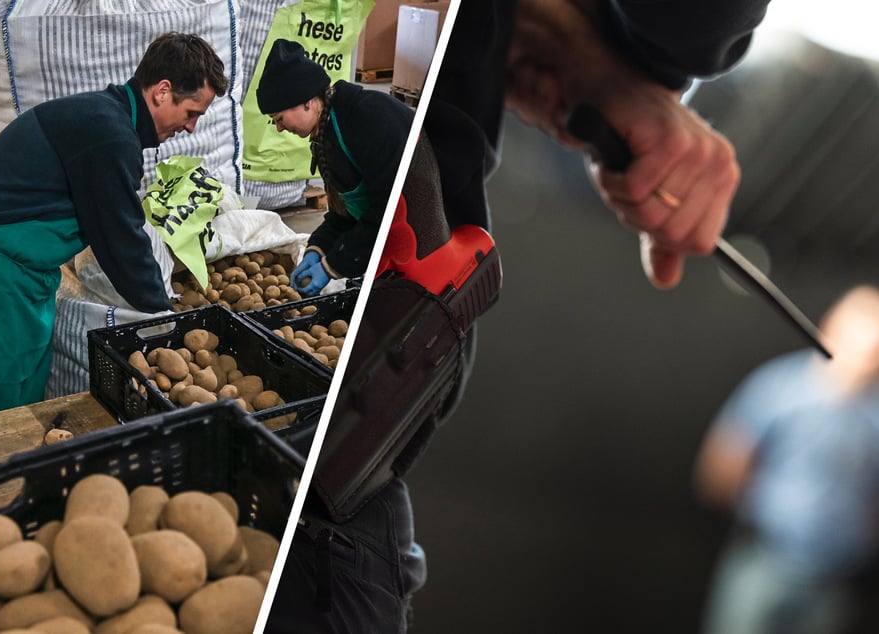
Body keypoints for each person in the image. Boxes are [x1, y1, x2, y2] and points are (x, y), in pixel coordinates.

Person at [263, 1, 771, 632]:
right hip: (390, 351)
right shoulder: (336, 127)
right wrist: (641, 54)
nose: (280, 127)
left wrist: (556, 36)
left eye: (280, 113)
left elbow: (378, 204)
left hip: (403, 324)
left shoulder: (360, 118)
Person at [0, 32, 229, 422]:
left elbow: (117, 227)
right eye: (191, 112)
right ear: (162, 91)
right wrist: (165, 316)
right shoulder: (108, 132)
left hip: (22, 273)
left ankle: (12, 475)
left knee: (24, 395)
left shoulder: (107, 118)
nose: (191, 127)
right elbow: (120, 238)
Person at [693, 285, 879, 634]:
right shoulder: (778, 387)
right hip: (764, 561)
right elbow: (720, 469)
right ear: (831, 328)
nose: (866, 358)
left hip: (834, 580)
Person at [255, 37, 415, 297]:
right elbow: (345, 215)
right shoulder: (325, 135)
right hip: (388, 237)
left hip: (419, 232)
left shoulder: (369, 117)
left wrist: (333, 266)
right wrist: (316, 249)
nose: (280, 127)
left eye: (279, 118)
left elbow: (388, 209)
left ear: (306, 101)